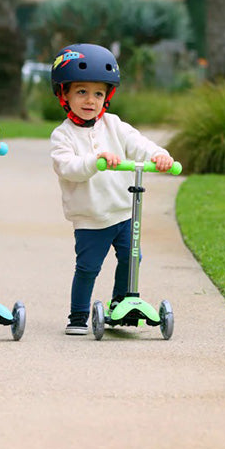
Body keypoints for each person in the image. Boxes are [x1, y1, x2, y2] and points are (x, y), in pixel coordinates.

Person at [48, 43, 174, 335]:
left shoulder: (114, 125)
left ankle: (122, 304)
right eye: (81, 92)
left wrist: (159, 155)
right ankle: (78, 316)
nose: (90, 100)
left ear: (107, 97)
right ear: (63, 94)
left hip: (123, 212)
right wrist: (97, 160)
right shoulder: (62, 136)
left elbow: (138, 144)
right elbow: (68, 168)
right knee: (88, 267)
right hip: (91, 219)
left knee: (132, 258)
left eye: (98, 93)